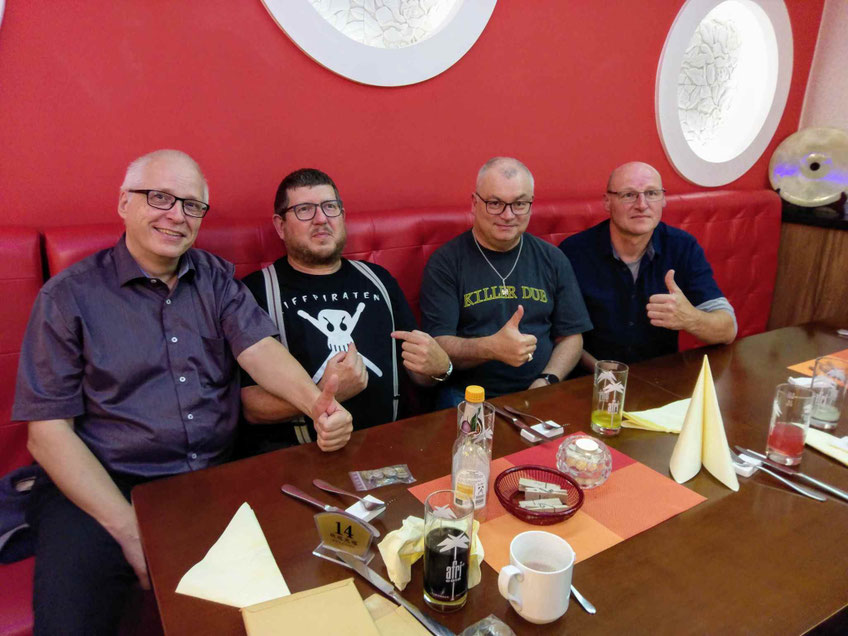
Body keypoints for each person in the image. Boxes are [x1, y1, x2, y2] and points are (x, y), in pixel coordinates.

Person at [12, 150, 352, 635]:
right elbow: (47, 434)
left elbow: (259, 350)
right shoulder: (68, 297)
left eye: (192, 205)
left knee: (307, 586)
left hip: (214, 473)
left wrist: (317, 404)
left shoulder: (215, 278)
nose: (176, 215)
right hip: (105, 483)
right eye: (160, 198)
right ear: (124, 203)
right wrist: (130, 528)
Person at [239, 168, 451, 450]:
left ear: (342, 216)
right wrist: (324, 395)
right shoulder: (255, 292)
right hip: (302, 456)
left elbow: (419, 371)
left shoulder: (379, 279)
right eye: (305, 210)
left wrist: (440, 368)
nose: (321, 219)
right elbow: (251, 407)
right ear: (280, 225)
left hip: (390, 445)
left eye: (330, 207)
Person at [420, 157, 592, 406]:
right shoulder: (446, 262)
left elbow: (572, 337)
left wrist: (546, 381)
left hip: (540, 389)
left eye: (519, 204)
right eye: (495, 203)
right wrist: (491, 347)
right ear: (474, 203)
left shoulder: (553, 258)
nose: (508, 215)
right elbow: (438, 344)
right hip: (468, 395)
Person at [559, 161, 737, 368]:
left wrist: (690, 318)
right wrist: (600, 369)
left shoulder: (682, 247)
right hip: (588, 378)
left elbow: (728, 329)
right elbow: (560, 333)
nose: (642, 205)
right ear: (607, 202)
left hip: (660, 377)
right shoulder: (574, 252)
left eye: (652, 193)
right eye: (629, 195)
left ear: (663, 199)